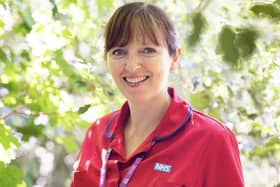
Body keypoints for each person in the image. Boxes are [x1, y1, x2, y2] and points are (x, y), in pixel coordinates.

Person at [70, 2, 244, 187]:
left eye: (148, 50)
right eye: (119, 52)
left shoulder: (212, 139)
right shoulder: (97, 134)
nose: (132, 66)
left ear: (174, 58)